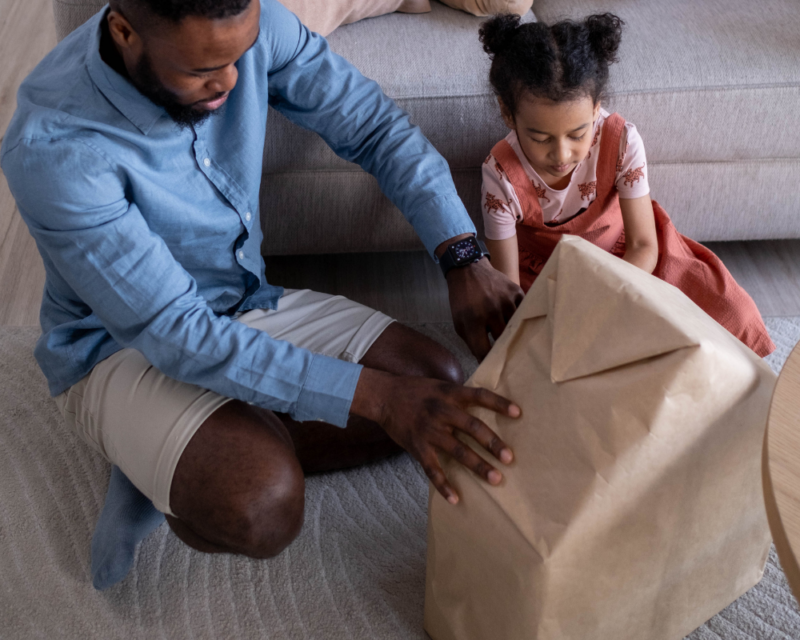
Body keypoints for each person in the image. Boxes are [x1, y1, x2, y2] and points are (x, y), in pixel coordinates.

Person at [0, 0, 525, 586]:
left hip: (244, 299)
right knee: (263, 502)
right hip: (123, 347)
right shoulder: (55, 150)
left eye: (240, 54)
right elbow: (179, 336)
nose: (229, 80)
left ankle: (194, 440)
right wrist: (378, 399)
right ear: (125, 32)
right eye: (201, 70)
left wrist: (462, 257)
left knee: (437, 384)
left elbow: (374, 126)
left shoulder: (252, 23)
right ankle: (160, 456)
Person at [478, 13, 775, 357]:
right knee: (554, 353)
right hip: (550, 276)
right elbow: (508, 287)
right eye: (540, 137)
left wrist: (605, 298)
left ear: (597, 107)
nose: (561, 154)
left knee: (731, 316)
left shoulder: (622, 142)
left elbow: (644, 245)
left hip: (631, 259)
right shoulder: (499, 174)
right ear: (507, 113)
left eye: (578, 134)